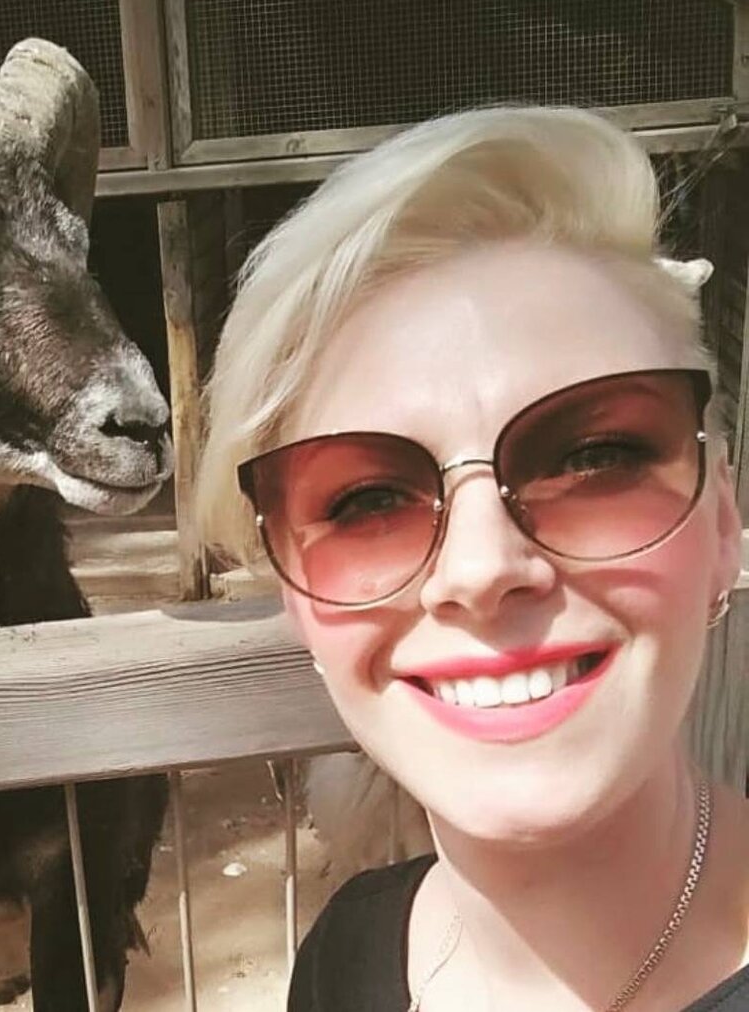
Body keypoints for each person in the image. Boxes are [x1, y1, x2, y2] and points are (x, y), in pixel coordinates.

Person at [195, 106, 749, 1011]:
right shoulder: (348, 957)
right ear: (296, 599)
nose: (482, 568)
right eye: (367, 502)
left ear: (722, 520)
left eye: (594, 458)